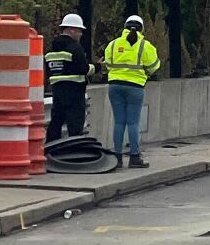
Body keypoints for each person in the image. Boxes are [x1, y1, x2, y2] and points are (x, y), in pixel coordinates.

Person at [102, 13, 161, 167]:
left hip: (114, 86)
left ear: (125, 27)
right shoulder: (145, 46)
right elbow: (154, 66)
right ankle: (134, 157)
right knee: (133, 122)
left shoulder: (113, 44)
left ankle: (117, 158)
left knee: (119, 121)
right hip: (135, 87)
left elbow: (107, 63)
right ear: (141, 29)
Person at [44, 13, 90, 142]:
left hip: (57, 90)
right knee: (75, 124)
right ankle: (75, 153)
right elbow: (83, 69)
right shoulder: (75, 48)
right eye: (79, 31)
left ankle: (51, 150)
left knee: (56, 122)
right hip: (75, 92)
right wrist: (97, 66)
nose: (81, 34)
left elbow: (49, 70)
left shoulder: (52, 48)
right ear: (72, 30)